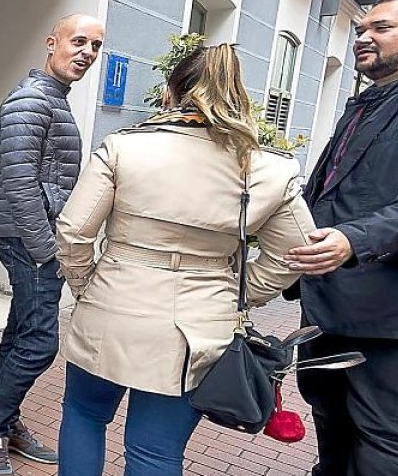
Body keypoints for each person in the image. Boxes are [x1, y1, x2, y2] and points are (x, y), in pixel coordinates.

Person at [54, 44, 316, 476]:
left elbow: (74, 231)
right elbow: (296, 253)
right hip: (200, 323)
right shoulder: (270, 169)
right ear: (239, 96)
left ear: (171, 91)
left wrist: (86, 283)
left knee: (84, 415)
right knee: (154, 452)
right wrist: (241, 291)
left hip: (113, 304)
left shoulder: (124, 148)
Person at [286, 0, 398, 476]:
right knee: (332, 431)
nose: (364, 37)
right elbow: (330, 190)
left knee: (388, 447)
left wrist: (352, 240)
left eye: (381, 28)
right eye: (361, 29)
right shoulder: (363, 103)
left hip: (389, 322)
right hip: (328, 310)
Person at [0, 14, 106, 475]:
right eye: (78, 41)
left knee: (19, 335)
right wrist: (48, 250)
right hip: (32, 241)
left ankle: (5, 423)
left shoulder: (53, 100)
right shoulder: (31, 101)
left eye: (95, 45)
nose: (87, 52)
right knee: (39, 342)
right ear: (52, 43)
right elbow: (19, 183)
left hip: (33, 238)